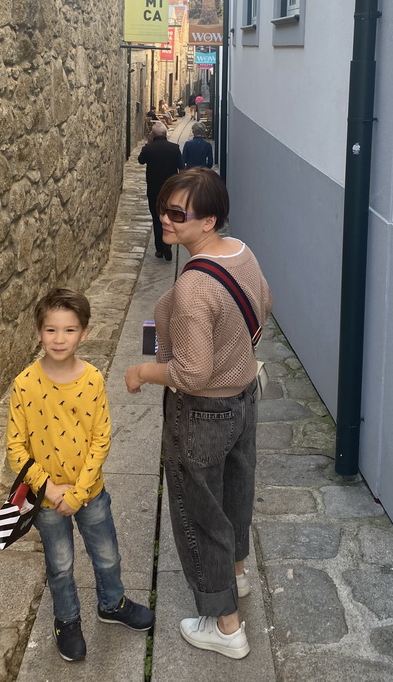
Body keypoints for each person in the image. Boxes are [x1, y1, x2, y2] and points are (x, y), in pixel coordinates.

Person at [124, 169, 272, 660]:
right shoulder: (242, 253)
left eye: (175, 213)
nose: (163, 219)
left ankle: (224, 625)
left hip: (203, 414)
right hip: (244, 399)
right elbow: (264, 303)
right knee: (235, 491)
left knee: (197, 513)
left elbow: (190, 372)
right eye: (163, 207)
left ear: (207, 221)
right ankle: (236, 575)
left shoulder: (192, 289)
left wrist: (145, 371)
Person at [6, 288, 154, 662]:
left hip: (91, 494)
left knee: (107, 555)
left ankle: (112, 603)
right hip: (46, 499)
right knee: (60, 565)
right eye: (51, 330)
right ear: (39, 333)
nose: (59, 339)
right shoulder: (24, 384)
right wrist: (53, 491)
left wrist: (78, 492)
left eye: (69, 330)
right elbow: (15, 449)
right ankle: (67, 620)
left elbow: (101, 439)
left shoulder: (92, 380)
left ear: (84, 333)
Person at [137, 122, 183, 260]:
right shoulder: (175, 149)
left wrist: (148, 143)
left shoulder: (149, 149)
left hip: (154, 191)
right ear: (165, 133)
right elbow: (182, 169)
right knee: (170, 217)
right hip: (171, 191)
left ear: (153, 134)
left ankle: (160, 249)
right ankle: (168, 243)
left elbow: (140, 160)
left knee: (157, 219)